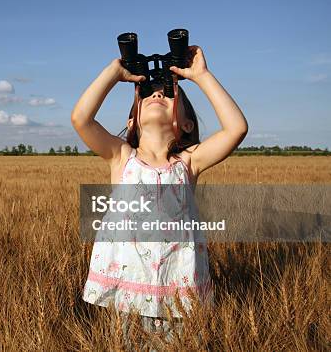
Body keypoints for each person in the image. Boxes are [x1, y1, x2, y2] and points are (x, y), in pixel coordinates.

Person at [71, 45, 248, 349]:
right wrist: (116, 72)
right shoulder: (121, 156)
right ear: (132, 122)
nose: (156, 95)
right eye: (147, 94)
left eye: (167, 93)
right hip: (127, 296)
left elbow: (236, 128)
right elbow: (81, 119)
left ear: (187, 124)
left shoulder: (188, 162)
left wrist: (201, 75)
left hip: (178, 297)